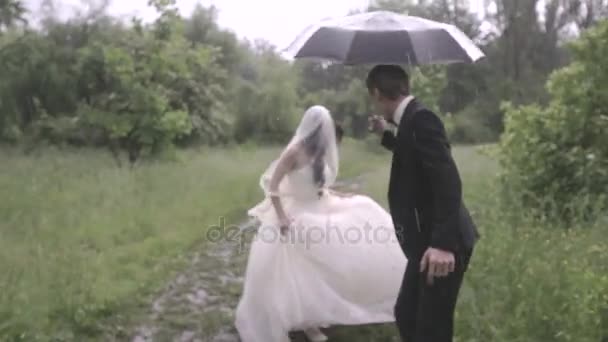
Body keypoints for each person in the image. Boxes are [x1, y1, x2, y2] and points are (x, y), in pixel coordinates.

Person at [234, 105, 407, 342]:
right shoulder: (294, 152)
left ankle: (333, 304)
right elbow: (273, 188)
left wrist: (338, 194)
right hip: (296, 211)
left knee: (363, 207)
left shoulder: (320, 152)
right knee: (304, 259)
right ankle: (308, 322)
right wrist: (282, 217)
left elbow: (318, 184)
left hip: (320, 204)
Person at [367, 65, 480, 342]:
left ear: (377, 93)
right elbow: (414, 159)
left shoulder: (422, 119)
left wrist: (443, 244)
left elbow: (448, 180)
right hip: (426, 242)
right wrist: (386, 135)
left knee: (431, 329)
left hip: (442, 245)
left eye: (372, 96)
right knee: (407, 314)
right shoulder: (411, 120)